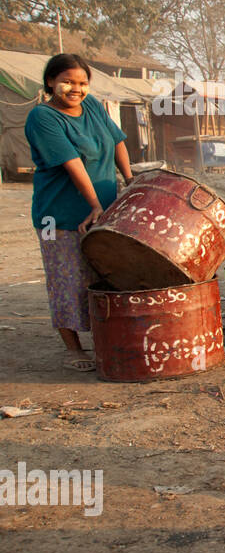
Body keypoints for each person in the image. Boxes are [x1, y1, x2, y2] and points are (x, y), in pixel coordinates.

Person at [25, 53, 132, 372]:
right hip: (57, 215)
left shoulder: (94, 106)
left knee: (104, 276)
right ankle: (73, 349)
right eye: (67, 82)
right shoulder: (43, 117)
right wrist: (94, 205)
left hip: (102, 211)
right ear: (50, 82)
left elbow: (117, 142)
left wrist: (129, 179)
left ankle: (104, 338)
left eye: (83, 83)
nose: (76, 89)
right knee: (66, 280)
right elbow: (72, 162)